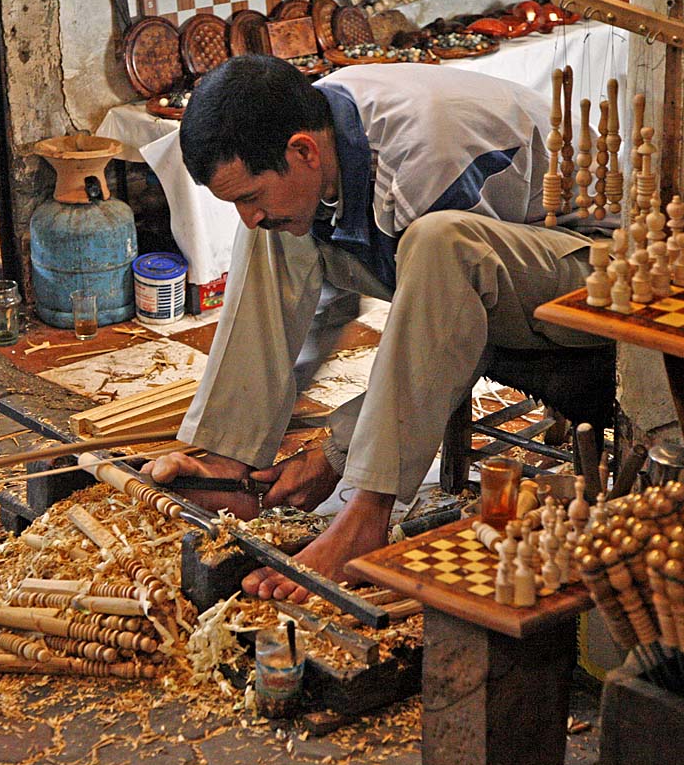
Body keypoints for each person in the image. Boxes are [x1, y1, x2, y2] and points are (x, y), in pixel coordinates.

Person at [146, 55, 606, 602]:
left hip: (595, 276)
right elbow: (332, 297)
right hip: (492, 269)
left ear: (304, 151)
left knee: (439, 243)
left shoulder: (426, 158)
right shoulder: (316, 121)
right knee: (273, 227)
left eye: (246, 194)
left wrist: (336, 456)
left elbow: (458, 335)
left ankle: (366, 516)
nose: (244, 214)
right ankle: (229, 458)